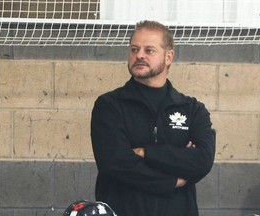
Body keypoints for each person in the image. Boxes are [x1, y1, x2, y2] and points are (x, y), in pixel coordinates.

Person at [91, 20, 216, 216]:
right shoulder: (109, 105)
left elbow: (202, 161)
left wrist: (145, 152)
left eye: (149, 50)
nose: (139, 55)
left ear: (168, 57)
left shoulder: (192, 110)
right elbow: (115, 163)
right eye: (134, 49)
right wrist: (173, 181)